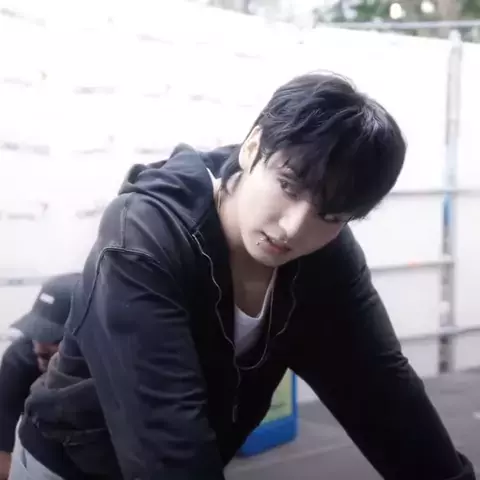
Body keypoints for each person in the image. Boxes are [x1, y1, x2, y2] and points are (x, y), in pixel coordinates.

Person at [10, 72, 475, 480]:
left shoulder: (325, 256)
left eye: (331, 215)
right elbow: (167, 439)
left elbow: (383, 391)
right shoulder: (143, 237)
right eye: (288, 185)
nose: (293, 227)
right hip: (72, 467)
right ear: (253, 148)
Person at [0, 273, 79, 479]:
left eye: (54, 337)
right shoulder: (19, 359)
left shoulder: (116, 366)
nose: (40, 347)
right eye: (36, 332)